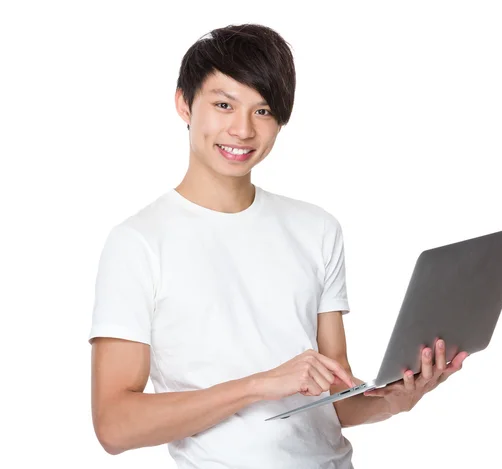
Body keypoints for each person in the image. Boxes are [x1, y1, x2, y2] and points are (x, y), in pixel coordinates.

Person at [89, 23, 468, 469]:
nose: (242, 129)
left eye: (263, 110)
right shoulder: (138, 243)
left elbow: (335, 400)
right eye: (224, 104)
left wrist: (398, 399)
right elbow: (114, 425)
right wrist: (258, 385)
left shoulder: (317, 229)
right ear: (183, 104)